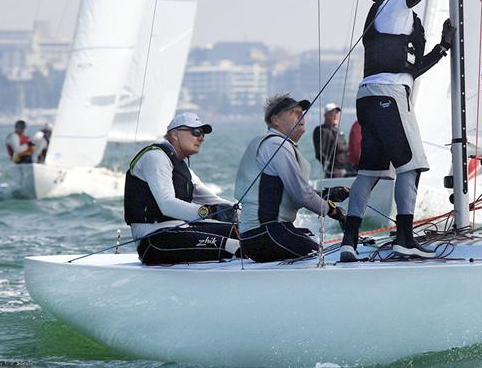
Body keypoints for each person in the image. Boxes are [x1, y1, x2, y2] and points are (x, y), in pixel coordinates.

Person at [340, 0, 470, 262]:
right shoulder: (392, 3)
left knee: (369, 173)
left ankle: (349, 242)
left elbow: (409, 68)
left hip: (369, 97)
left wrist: (442, 48)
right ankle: (404, 238)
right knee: (411, 167)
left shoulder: (395, 18)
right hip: (388, 96)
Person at [236, 94, 348, 263]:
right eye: (294, 112)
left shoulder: (277, 144)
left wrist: (327, 194)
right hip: (264, 233)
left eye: (302, 112)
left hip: (260, 234)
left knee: (315, 246)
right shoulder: (275, 144)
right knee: (319, 256)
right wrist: (334, 211)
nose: (301, 116)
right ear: (275, 120)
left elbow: (284, 192)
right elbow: (301, 194)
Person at [124, 112, 239, 265]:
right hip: (152, 240)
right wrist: (208, 212)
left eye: (203, 134)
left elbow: (215, 201)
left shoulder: (181, 167)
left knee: (244, 233)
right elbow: (167, 204)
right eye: (195, 132)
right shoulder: (155, 158)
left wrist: (253, 215)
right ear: (175, 134)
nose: (201, 138)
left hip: (180, 230)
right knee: (234, 246)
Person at [312, 102, 352, 178]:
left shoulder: (338, 131)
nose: (335, 115)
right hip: (335, 173)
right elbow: (319, 153)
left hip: (346, 168)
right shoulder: (321, 130)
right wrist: (332, 170)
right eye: (332, 113)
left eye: (337, 113)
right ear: (325, 115)